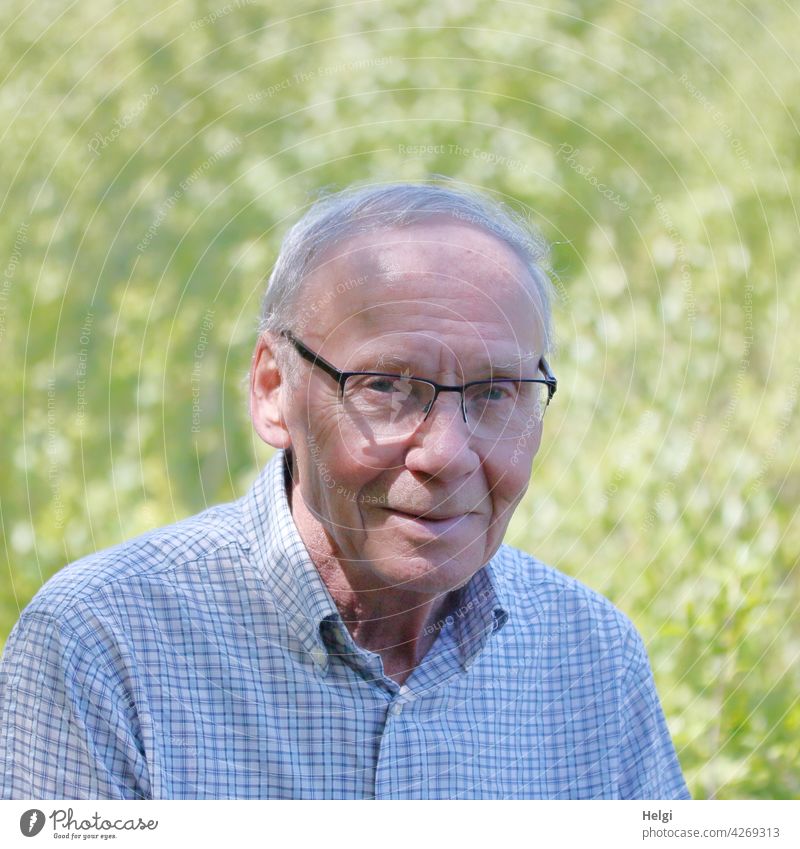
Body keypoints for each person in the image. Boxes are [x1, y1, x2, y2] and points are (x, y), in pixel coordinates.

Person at [0, 182, 690, 799]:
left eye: (494, 392)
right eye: (387, 385)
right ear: (274, 389)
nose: (446, 452)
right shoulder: (104, 643)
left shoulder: (589, 654)